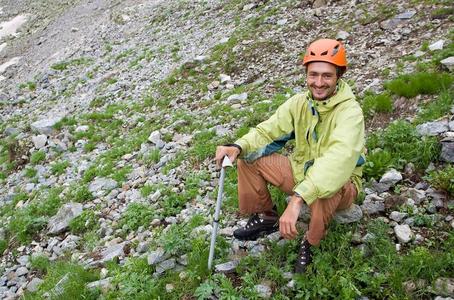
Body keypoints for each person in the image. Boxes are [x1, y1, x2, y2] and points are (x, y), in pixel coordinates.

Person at [215, 38, 366, 274]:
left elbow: (338, 161)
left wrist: (297, 199)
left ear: (339, 75)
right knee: (250, 157)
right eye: (313, 74)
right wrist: (238, 146)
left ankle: (312, 243)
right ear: (306, 74)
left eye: (327, 75)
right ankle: (266, 216)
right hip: (301, 172)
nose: (318, 82)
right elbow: (268, 130)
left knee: (325, 190)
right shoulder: (299, 103)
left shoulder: (350, 112)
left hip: (342, 184)